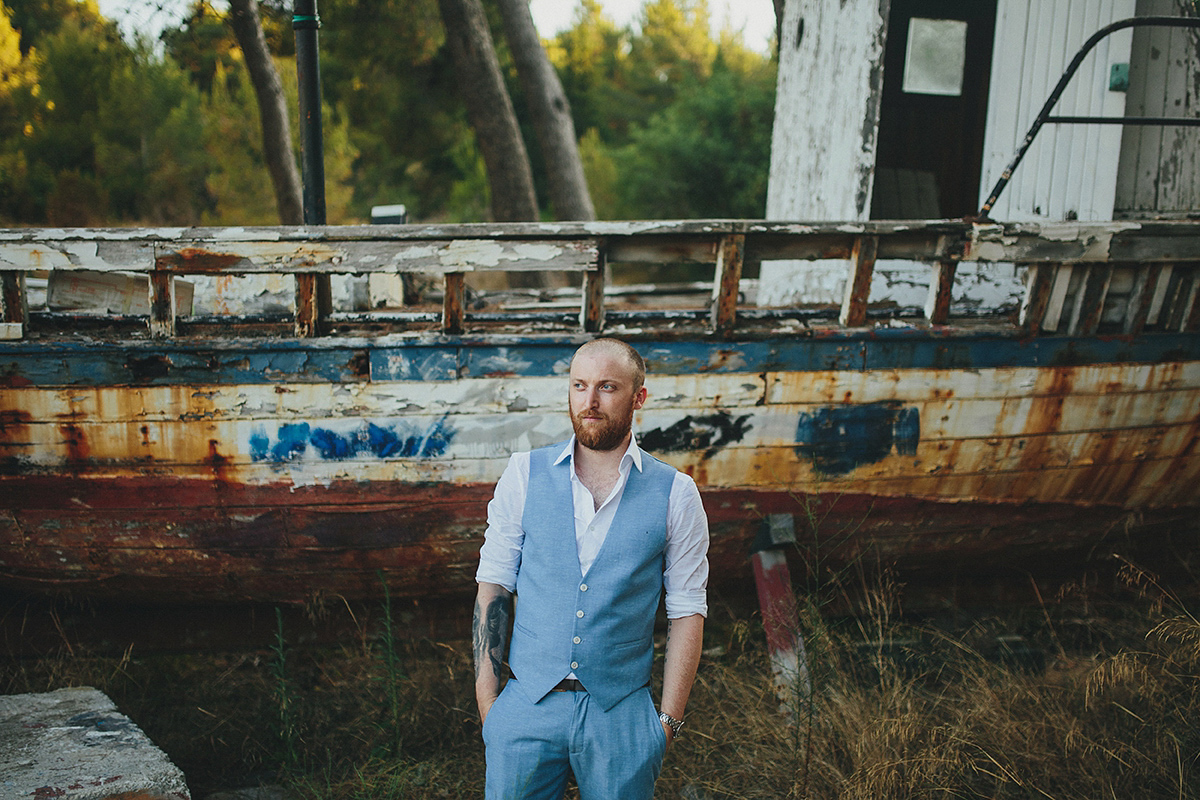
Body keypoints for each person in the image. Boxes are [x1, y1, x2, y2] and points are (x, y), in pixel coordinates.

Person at [473, 337, 710, 800]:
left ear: (638, 397)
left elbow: (687, 610)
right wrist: (490, 707)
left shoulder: (675, 493)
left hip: (620, 715)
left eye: (607, 387)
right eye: (579, 386)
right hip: (526, 705)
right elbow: (493, 587)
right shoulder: (524, 473)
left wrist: (665, 724)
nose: (590, 401)